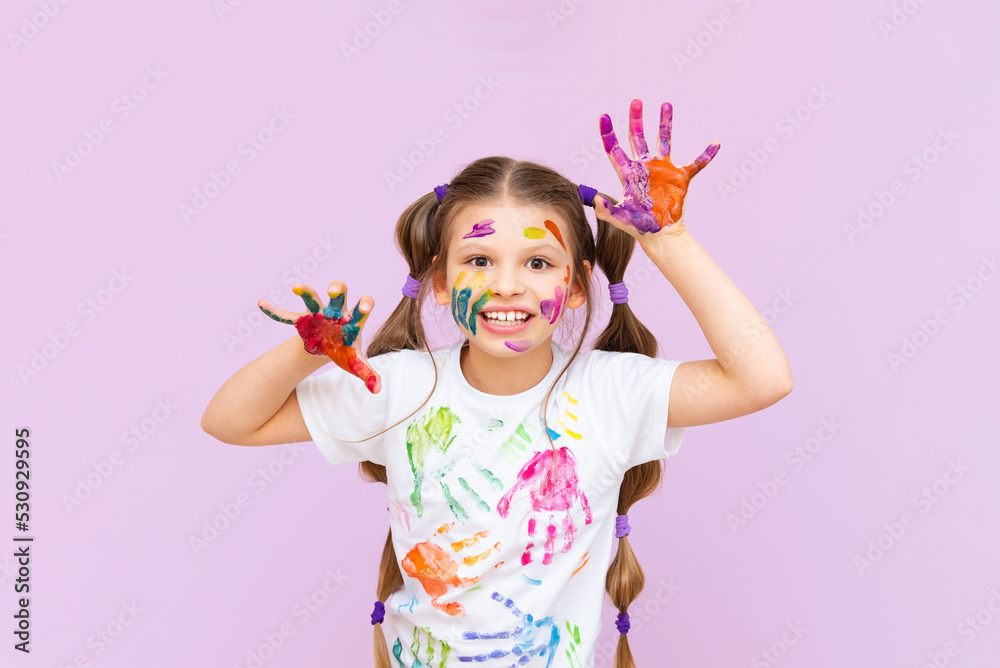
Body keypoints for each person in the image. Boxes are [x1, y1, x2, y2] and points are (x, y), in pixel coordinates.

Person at [201, 99, 793, 668]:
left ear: (578, 285)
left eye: (537, 263)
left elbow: (761, 379)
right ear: (438, 279)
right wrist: (305, 355)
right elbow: (229, 422)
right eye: (479, 260)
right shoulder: (401, 386)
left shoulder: (611, 393)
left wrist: (670, 240)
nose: (507, 285)